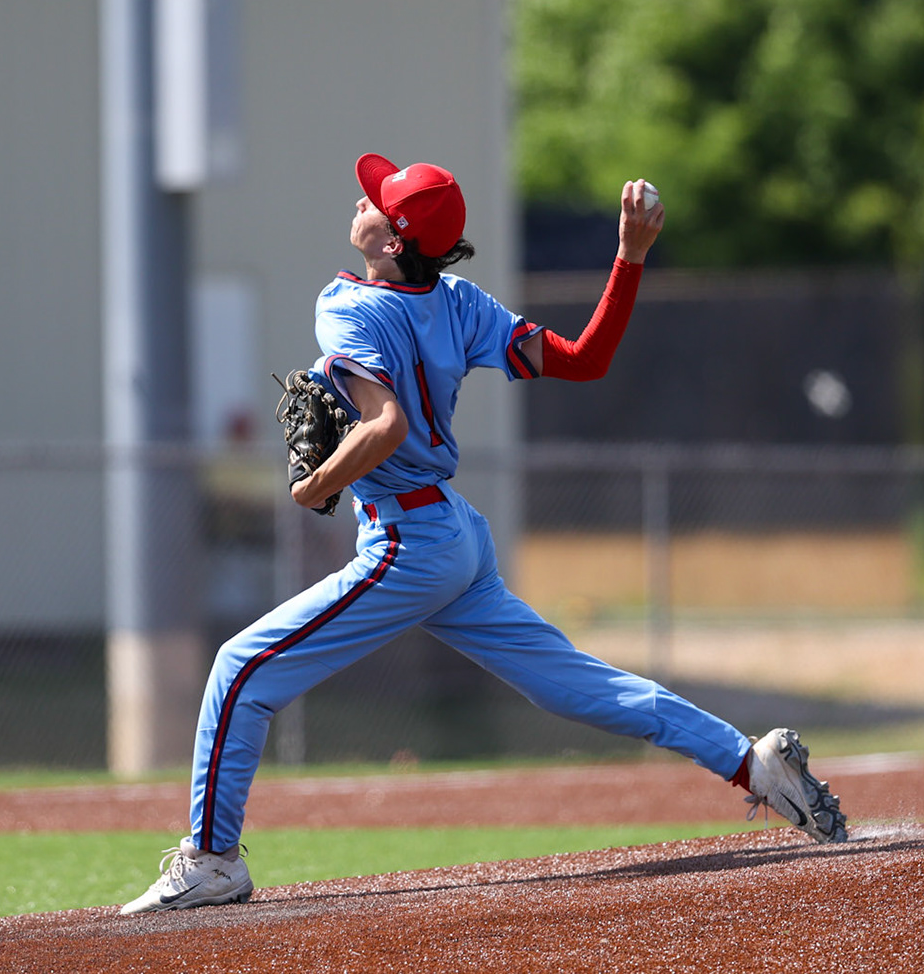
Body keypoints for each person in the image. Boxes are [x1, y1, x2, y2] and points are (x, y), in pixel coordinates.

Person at [120, 154, 846, 916]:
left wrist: (316, 484)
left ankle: (213, 861)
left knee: (240, 670)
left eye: (378, 201)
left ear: (393, 242)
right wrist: (628, 258)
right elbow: (586, 359)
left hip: (408, 544)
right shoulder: (459, 302)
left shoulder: (346, 307)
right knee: (575, 685)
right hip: (455, 538)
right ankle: (751, 763)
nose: (364, 200)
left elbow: (384, 424)